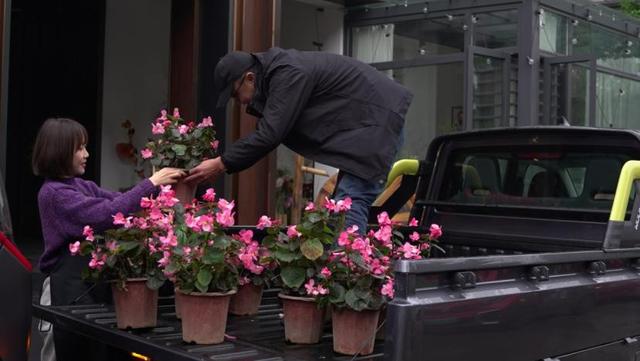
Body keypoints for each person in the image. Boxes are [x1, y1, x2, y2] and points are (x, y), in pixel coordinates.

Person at [185, 47, 413, 232]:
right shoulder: (279, 72)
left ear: (250, 78)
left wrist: (220, 163)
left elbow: (269, 134)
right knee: (341, 205)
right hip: (367, 126)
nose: (240, 102)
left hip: (377, 123)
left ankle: (346, 277)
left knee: (350, 202)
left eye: (235, 94)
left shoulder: (288, 73)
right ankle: (340, 274)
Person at [32, 117, 184, 361]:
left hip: (90, 286)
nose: (87, 154)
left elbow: (116, 203)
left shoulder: (82, 186)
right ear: (60, 151)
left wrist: (153, 207)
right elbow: (104, 214)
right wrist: (152, 183)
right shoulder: (53, 194)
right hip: (66, 289)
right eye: (79, 148)